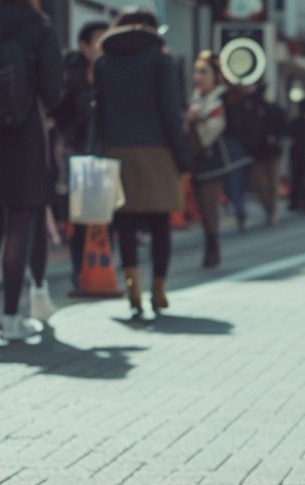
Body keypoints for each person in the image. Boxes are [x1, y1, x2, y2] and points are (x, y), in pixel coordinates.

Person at [0, 0, 63, 341]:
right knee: (19, 226)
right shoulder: (41, 30)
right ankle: (12, 318)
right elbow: (53, 91)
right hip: (25, 136)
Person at [94, 8, 190, 319]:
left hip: (116, 149)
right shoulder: (161, 60)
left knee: (125, 223)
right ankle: (158, 289)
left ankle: (132, 288)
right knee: (161, 222)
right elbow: (171, 112)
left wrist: (97, 151)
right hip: (157, 150)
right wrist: (183, 154)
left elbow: (98, 113)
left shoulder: (103, 62)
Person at [52, 20, 108, 293]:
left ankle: (101, 268)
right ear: (83, 46)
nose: (102, 47)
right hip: (76, 151)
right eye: (98, 41)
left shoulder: (110, 69)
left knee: (104, 215)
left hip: (104, 151)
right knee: (80, 217)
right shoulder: (70, 72)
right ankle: (79, 271)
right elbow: (60, 111)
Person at [187, 52, 250, 270]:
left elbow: (214, 128)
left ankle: (213, 246)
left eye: (203, 72)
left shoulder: (221, 97)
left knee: (210, 202)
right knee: (203, 204)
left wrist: (196, 119)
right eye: (196, 72)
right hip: (199, 158)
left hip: (217, 157)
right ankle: (211, 244)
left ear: (215, 75)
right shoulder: (196, 97)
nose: (198, 77)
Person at [225, 81, 287, 228]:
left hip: (272, 150)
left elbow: (282, 125)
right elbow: (241, 128)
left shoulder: (271, 107)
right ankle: (269, 210)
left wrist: (275, 137)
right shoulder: (245, 108)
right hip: (255, 152)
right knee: (261, 185)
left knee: (273, 182)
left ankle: (273, 211)